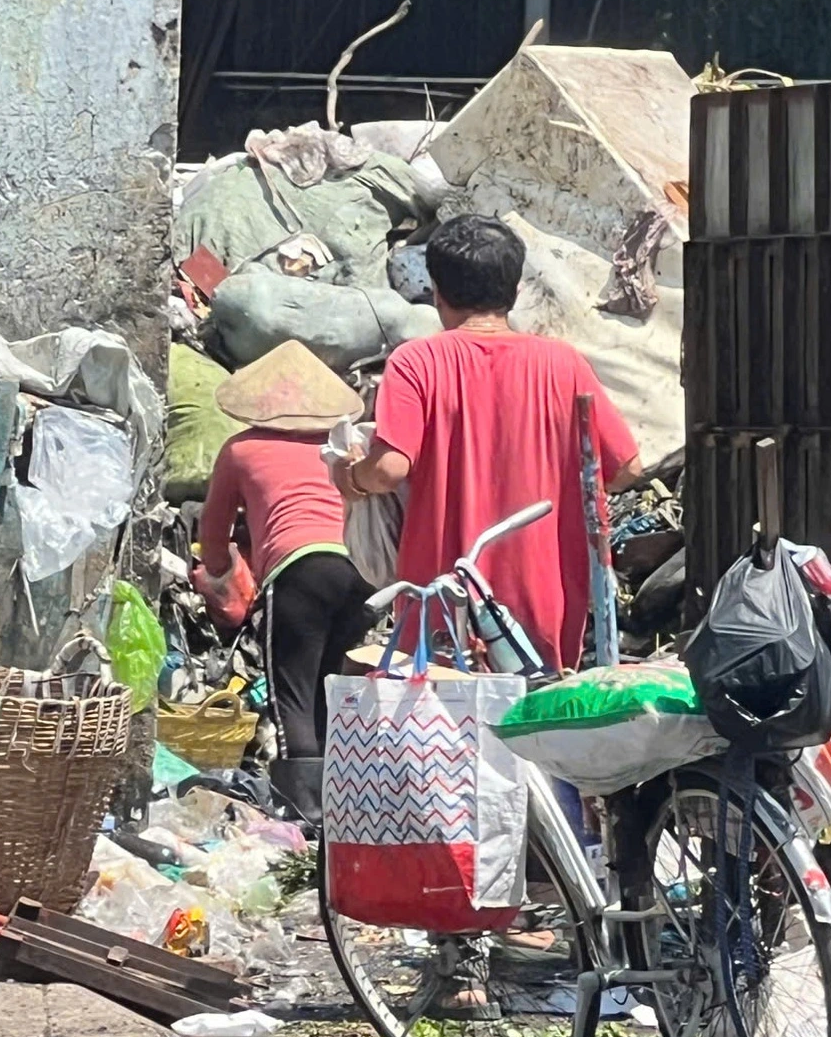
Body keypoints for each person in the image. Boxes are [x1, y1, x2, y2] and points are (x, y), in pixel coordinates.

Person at [336, 213, 640, 674]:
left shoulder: (416, 361)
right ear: (514, 292)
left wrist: (350, 476)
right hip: (544, 595)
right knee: (530, 731)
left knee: (443, 733)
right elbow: (625, 469)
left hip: (445, 597)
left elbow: (388, 470)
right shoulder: (563, 363)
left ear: (436, 291)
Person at [198, 340, 372, 825]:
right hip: (362, 571)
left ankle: (306, 815)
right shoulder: (346, 443)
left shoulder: (242, 448)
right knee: (331, 685)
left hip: (298, 570)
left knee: (291, 691)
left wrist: (218, 576)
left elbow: (213, 537)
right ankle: (343, 806)